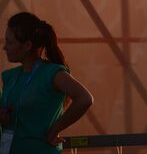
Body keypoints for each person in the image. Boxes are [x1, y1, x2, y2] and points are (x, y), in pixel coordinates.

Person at [0, 12, 93, 153]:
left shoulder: (52, 74)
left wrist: (55, 129)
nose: (4, 47)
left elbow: (84, 98)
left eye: (10, 42)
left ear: (27, 45)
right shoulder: (10, 77)